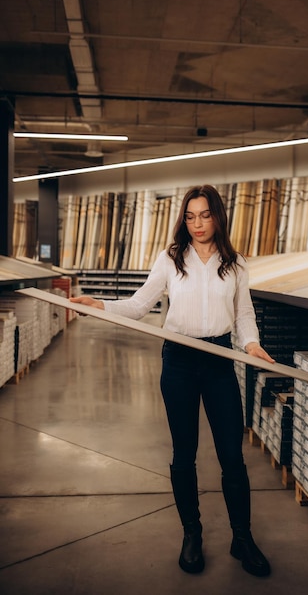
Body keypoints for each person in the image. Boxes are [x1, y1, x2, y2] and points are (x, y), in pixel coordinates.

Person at [71, 184, 275, 577]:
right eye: (190, 216)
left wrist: (251, 345)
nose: (198, 223)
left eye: (205, 215)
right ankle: (192, 534)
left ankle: (242, 538)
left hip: (219, 360)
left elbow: (244, 314)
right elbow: (138, 304)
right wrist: (100, 305)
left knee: (232, 455)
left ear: (218, 216)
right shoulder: (170, 259)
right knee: (185, 453)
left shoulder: (236, 263)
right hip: (179, 359)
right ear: (184, 218)